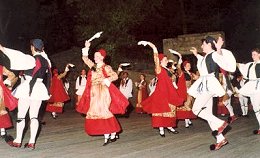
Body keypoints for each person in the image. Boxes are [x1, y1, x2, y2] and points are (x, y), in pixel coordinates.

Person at [0, 39, 51, 150]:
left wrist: (2, 48)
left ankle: (18, 141)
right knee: (34, 116)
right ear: (42, 48)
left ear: (32, 47)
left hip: (28, 87)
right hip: (39, 87)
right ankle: (32, 142)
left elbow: (16, 55)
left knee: (21, 115)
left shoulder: (30, 59)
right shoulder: (46, 61)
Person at [188, 36, 236, 150]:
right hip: (205, 84)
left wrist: (219, 49)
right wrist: (196, 54)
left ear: (209, 45)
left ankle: (222, 124)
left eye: (203, 44)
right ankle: (221, 139)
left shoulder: (214, 54)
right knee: (208, 114)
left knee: (196, 109)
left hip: (209, 84)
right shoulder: (206, 56)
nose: (201, 46)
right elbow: (203, 64)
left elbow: (220, 59)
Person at [76, 40, 129, 146]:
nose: (94, 57)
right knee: (95, 112)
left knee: (104, 111)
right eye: (94, 56)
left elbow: (115, 76)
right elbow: (85, 59)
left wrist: (107, 80)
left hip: (103, 91)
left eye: (96, 56)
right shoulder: (93, 67)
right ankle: (111, 132)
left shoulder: (106, 67)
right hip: (94, 92)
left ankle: (110, 134)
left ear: (102, 57)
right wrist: (86, 48)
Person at [138, 41, 184, 137]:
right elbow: (155, 59)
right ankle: (161, 128)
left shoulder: (169, 70)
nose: (167, 61)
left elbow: (174, 77)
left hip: (170, 91)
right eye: (165, 60)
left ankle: (169, 126)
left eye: (167, 60)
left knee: (171, 109)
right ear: (161, 60)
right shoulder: (159, 69)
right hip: (161, 92)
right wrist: (153, 46)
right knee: (160, 109)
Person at [237, 48, 260, 134]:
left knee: (258, 106)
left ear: (259, 54)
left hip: (258, 86)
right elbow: (242, 67)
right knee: (256, 107)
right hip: (252, 86)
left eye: (254, 54)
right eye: (252, 54)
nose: (252, 56)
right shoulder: (250, 65)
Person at [0, 65, 18, 138]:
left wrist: (6, 84)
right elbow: (12, 75)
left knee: (1, 110)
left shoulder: (1, 67)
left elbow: (12, 75)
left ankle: (2, 130)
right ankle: (2, 131)